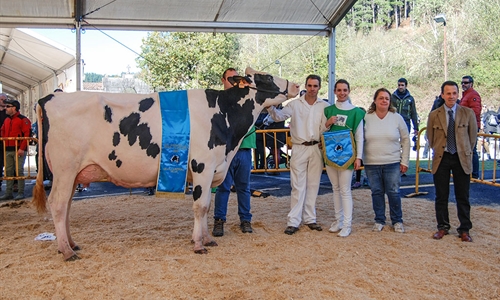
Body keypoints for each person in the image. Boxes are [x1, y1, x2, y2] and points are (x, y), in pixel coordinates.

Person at [266, 75, 329, 235]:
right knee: (297, 186)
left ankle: (310, 219)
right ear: (305, 86)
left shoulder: (324, 106)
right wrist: (269, 105)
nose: (312, 89)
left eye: (315, 86)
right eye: (309, 85)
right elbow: (278, 116)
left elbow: (325, 128)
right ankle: (293, 221)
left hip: (316, 148)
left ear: (319, 87)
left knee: (313, 185)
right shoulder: (295, 104)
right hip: (299, 147)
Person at [427, 81, 477, 242]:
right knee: (441, 195)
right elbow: (430, 137)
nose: (451, 96)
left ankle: (464, 229)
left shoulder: (467, 113)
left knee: (462, 195)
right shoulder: (434, 114)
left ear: (458, 94)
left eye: (454, 93)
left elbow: (472, 137)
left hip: (460, 158)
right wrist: (439, 148)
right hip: (442, 157)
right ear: (442, 95)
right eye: (448, 93)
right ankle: (442, 226)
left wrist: (464, 150)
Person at [212, 68, 254, 236]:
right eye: (230, 79)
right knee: (223, 187)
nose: (234, 82)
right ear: (223, 80)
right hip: (225, 150)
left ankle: (245, 220)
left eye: (237, 79)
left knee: (244, 187)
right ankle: (219, 220)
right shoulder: (216, 101)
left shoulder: (247, 97)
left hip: (244, 148)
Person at [364, 88, 410, 233]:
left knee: (393, 192)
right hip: (371, 163)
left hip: (392, 162)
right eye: (381, 98)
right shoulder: (366, 118)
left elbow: (406, 140)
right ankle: (379, 220)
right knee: (376, 192)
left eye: (387, 98)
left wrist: (405, 161)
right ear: (375, 100)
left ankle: (397, 221)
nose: (384, 100)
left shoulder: (397, 117)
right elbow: (359, 139)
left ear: (390, 101)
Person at [323, 79, 365, 237]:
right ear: (334, 91)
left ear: (349, 91)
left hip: (348, 156)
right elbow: (322, 131)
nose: (342, 93)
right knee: (335, 188)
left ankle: (347, 224)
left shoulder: (357, 112)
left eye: (344, 90)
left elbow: (360, 136)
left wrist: (359, 157)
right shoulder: (328, 110)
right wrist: (328, 123)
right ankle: (338, 220)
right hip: (331, 155)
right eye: (339, 90)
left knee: (345, 190)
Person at [0, 99, 32, 200]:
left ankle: (20, 192)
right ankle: (8, 192)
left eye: (8, 106)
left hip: (18, 149)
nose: (6, 108)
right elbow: (3, 131)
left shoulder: (23, 120)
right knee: (8, 171)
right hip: (8, 149)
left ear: (14, 108)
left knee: (19, 171)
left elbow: (27, 135)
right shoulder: (7, 120)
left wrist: (22, 149)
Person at [459, 75, 481, 178]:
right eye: (462, 83)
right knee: (465, 149)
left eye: (466, 82)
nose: (463, 84)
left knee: (472, 149)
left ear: (471, 83)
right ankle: (468, 171)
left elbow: (475, 111)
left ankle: (474, 174)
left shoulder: (473, 95)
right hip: (465, 125)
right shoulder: (466, 95)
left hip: (471, 126)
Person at [0, 93, 9, 191]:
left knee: (11, 165)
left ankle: (14, 185)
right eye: (1, 99)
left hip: (9, 142)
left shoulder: (8, 112)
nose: (3, 101)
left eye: (4, 99)